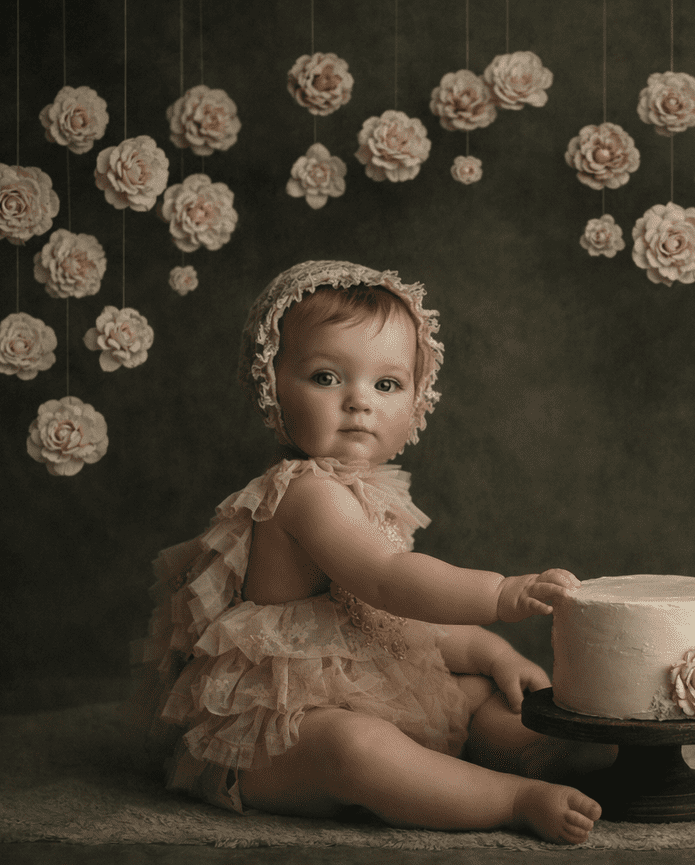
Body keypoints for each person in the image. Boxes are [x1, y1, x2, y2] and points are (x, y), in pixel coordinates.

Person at [132, 260, 611, 845]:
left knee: (478, 696)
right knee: (356, 747)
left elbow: (391, 620)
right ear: (271, 385)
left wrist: (491, 653)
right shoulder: (304, 494)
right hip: (274, 731)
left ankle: (545, 753)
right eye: (327, 377)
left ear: (417, 399)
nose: (359, 401)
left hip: (361, 690)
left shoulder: (368, 494)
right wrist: (501, 593)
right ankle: (511, 798)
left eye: (386, 385)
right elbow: (389, 579)